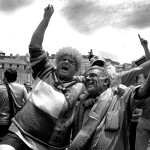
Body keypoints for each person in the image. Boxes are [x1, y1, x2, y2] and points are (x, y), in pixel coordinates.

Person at [0, 4, 84, 150]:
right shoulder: (46, 70)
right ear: (56, 63)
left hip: (50, 146)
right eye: (63, 59)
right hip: (20, 134)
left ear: (75, 70)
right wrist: (46, 18)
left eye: (71, 62)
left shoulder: (80, 85)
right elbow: (35, 45)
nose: (66, 62)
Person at [68, 65, 150, 150]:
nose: (88, 78)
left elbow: (145, 90)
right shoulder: (81, 102)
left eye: (93, 75)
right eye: (86, 77)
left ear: (106, 81)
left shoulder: (120, 96)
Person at [0, 68, 28, 138]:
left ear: (5, 77)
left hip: (2, 122)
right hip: (16, 123)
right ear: (16, 78)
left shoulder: (0, 88)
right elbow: (28, 104)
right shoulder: (22, 88)